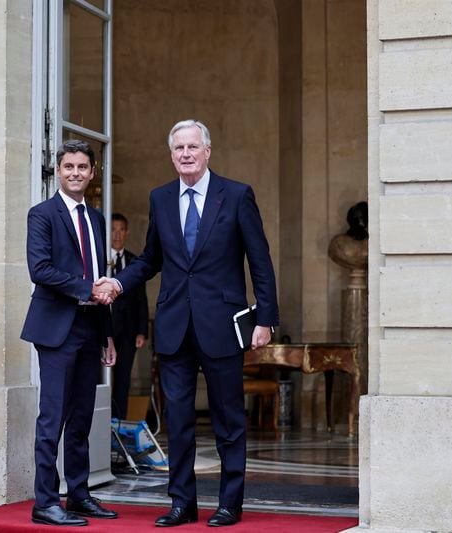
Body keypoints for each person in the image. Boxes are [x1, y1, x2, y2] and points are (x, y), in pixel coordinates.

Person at [97, 120, 279, 527]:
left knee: (228, 420)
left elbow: (260, 260)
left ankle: (230, 503)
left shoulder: (235, 195)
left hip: (222, 325)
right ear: (172, 154)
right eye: (178, 147)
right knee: (177, 420)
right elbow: (149, 260)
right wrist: (118, 283)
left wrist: (266, 317)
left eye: (192, 146)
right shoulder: (161, 198)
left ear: (207, 150)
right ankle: (182, 503)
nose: (185, 153)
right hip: (175, 327)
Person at [21, 140, 119, 527]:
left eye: (82, 167)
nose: (76, 172)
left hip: (90, 327)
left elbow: (98, 271)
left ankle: (79, 495)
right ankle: (45, 501)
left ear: (92, 173)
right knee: (52, 420)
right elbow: (40, 269)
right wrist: (87, 289)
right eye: (68, 167)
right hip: (57, 328)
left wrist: (107, 332)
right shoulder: (41, 214)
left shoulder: (96, 219)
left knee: (81, 419)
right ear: (57, 171)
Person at [109, 213, 148, 420]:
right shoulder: (101, 258)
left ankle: (119, 422)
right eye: (113, 230)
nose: (116, 234)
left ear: (126, 232)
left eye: (120, 230)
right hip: (104, 327)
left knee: (123, 379)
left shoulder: (134, 261)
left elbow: (141, 298)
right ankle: (100, 424)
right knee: (100, 377)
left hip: (128, 330)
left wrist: (142, 330)